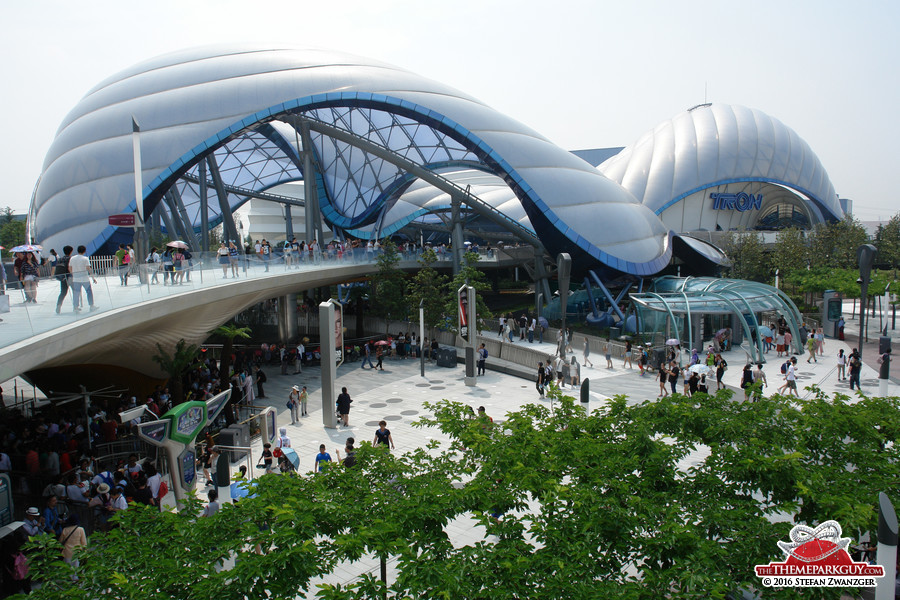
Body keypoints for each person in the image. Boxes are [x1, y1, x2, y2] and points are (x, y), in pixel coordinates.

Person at [54, 245, 73, 314]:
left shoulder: (60, 259)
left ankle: (58, 305)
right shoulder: (71, 258)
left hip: (62, 277)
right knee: (75, 291)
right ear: (71, 251)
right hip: (70, 277)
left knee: (63, 292)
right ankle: (75, 306)